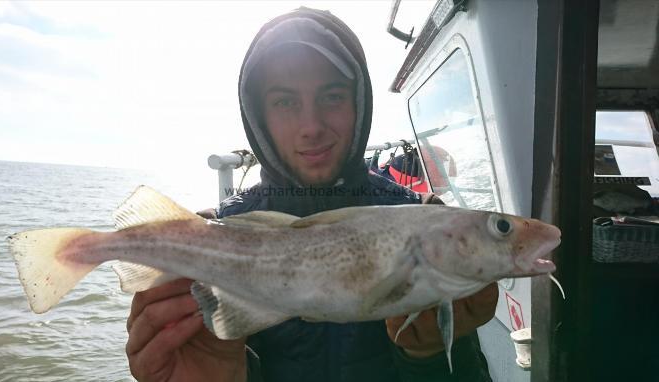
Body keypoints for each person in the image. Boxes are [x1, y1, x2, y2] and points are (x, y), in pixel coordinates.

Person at [125, 7, 498, 382]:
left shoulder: (424, 223)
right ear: (259, 115)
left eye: (332, 96)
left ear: (360, 103)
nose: (311, 127)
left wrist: (428, 356)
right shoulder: (212, 240)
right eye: (285, 102)